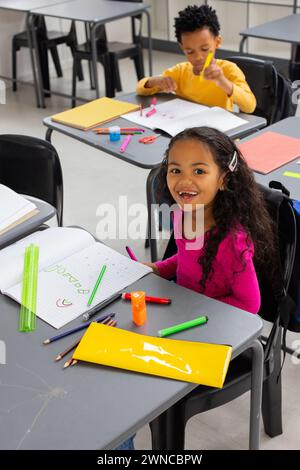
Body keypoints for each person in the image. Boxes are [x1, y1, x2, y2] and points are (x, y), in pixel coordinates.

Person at [145, 127, 275, 314]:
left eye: (198, 171)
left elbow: (249, 305)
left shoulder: (232, 243)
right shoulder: (182, 212)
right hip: (183, 308)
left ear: (223, 179)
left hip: (209, 322)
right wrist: (159, 269)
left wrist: (200, 308)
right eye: (175, 170)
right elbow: (187, 258)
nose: (184, 181)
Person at [136, 4, 256, 114]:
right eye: (190, 51)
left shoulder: (228, 70)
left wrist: (223, 82)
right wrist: (155, 81)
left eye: (204, 49)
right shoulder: (180, 71)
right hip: (187, 129)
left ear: (217, 42)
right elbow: (140, 89)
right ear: (182, 47)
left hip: (218, 133)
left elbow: (250, 106)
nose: (198, 57)